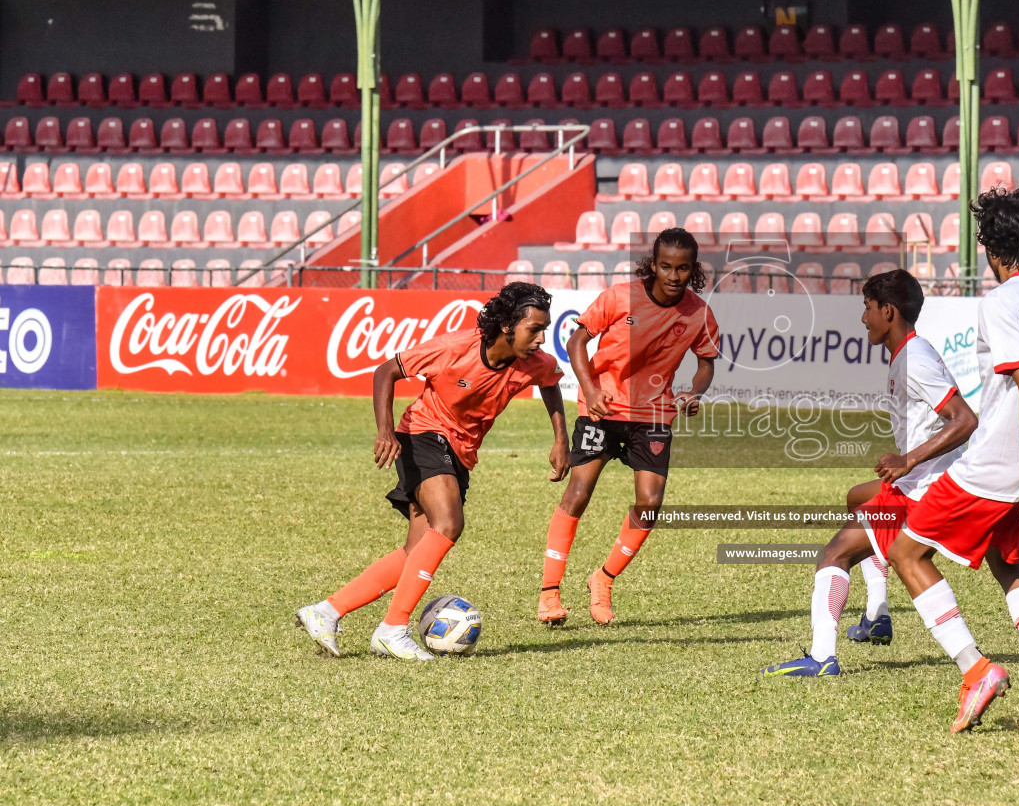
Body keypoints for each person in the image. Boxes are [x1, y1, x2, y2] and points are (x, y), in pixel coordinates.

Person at [883, 188, 1019, 734]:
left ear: (992, 247)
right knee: (1007, 563)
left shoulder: (1001, 303)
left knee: (907, 551)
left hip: (1004, 462)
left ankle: (975, 669)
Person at [296, 282, 569, 660]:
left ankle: (325, 611)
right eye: (534, 329)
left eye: (544, 328)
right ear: (507, 325)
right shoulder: (455, 348)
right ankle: (392, 629)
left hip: (461, 453)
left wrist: (561, 439)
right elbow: (385, 371)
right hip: (422, 433)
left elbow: (550, 382)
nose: (541, 339)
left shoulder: (535, 362)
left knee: (416, 552)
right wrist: (384, 430)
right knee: (449, 523)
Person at [763, 268, 977, 678]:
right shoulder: (909, 354)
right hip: (926, 483)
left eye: (867, 308)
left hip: (926, 489)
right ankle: (878, 616)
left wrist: (908, 460)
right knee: (858, 499)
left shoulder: (915, 359)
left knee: (836, 552)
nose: (863, 318)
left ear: (888, 311)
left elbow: (965, 420)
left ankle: (823, 656)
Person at [539, 226, 720, 626]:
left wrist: (694, 392)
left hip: (654, 414)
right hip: (602, 408)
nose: (674, 276)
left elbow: (706, 361)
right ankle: (550, 593)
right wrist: (590, 389)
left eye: (683, 269)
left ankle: (602, 580)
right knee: (579, 493)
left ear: (693, 270)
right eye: (666, 266)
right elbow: (576, 342)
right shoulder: (619, 298)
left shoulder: (699, 313)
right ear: (652, 265)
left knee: (650, 504)